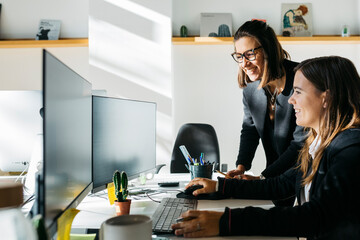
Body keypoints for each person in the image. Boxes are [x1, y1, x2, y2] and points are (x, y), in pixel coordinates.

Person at [171, 56, 360, 239]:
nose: (291, 100)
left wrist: (226, 221)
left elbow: (314, 217)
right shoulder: (317, 143)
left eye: (298, 92)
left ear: (326, 98)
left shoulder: (350, 150)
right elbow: (280, 185)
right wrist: (220, 186)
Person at [227, 20, 305, 185]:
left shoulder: (301, 79)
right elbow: (250, 130)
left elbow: (301, 142)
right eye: (239, 56)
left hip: (303, 173)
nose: (244, 63)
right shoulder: (250, 89)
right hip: (274, 174)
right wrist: (241, 167)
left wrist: (263, 177)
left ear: (268, 49)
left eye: (250, 54)